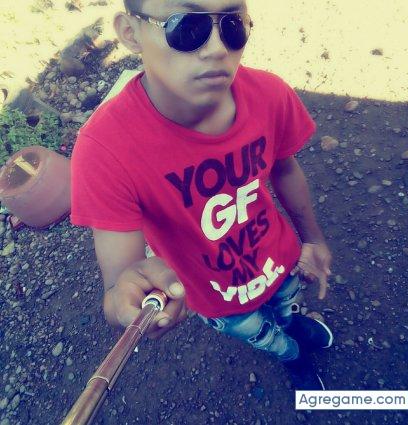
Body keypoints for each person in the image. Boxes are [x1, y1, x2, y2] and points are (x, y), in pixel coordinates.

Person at [70, 0, 333, 391]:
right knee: (264, 336)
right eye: (186, 26)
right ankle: (292, 356)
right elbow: (120, 284)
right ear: (130, 32)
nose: (216, 49)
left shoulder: (269, 94)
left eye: (232, 25)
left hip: (280, 261)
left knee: (287, 307)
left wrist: (313, 239)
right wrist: (128, 299)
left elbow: (284, 168)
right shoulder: (105, 150)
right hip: (216, 298)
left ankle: (294, 324)